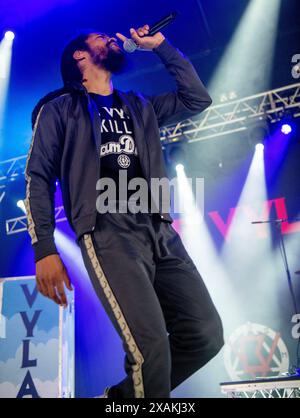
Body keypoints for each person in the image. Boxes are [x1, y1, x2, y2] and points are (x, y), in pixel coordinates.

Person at [25, 25, 224, 398]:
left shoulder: (140, 105)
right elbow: (37, 177)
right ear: (79, 56)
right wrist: (44, 249)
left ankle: (119, 400)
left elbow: (198, 99)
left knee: (205, 334)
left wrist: (162, 45)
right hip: (108, 231)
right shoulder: (59, 109)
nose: (111, 39)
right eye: (101, 38)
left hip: (158, 229)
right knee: (150, 349)